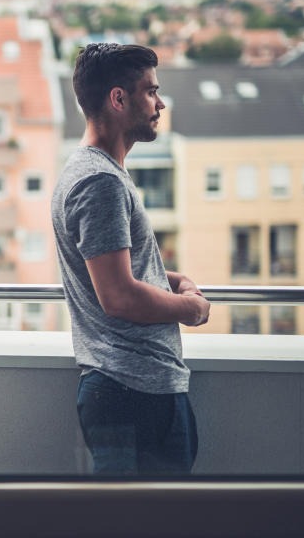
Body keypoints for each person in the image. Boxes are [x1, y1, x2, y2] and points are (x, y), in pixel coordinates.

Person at [51, 43, 210, 476]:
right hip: (133, 393)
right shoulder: (100, 182)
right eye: (150, 91)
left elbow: (113, 268)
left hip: (129, 390)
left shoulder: (93, 170)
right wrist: (191, 309)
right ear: (118, 98)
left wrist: (165, 277)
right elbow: (118, 296)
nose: (160, 103)